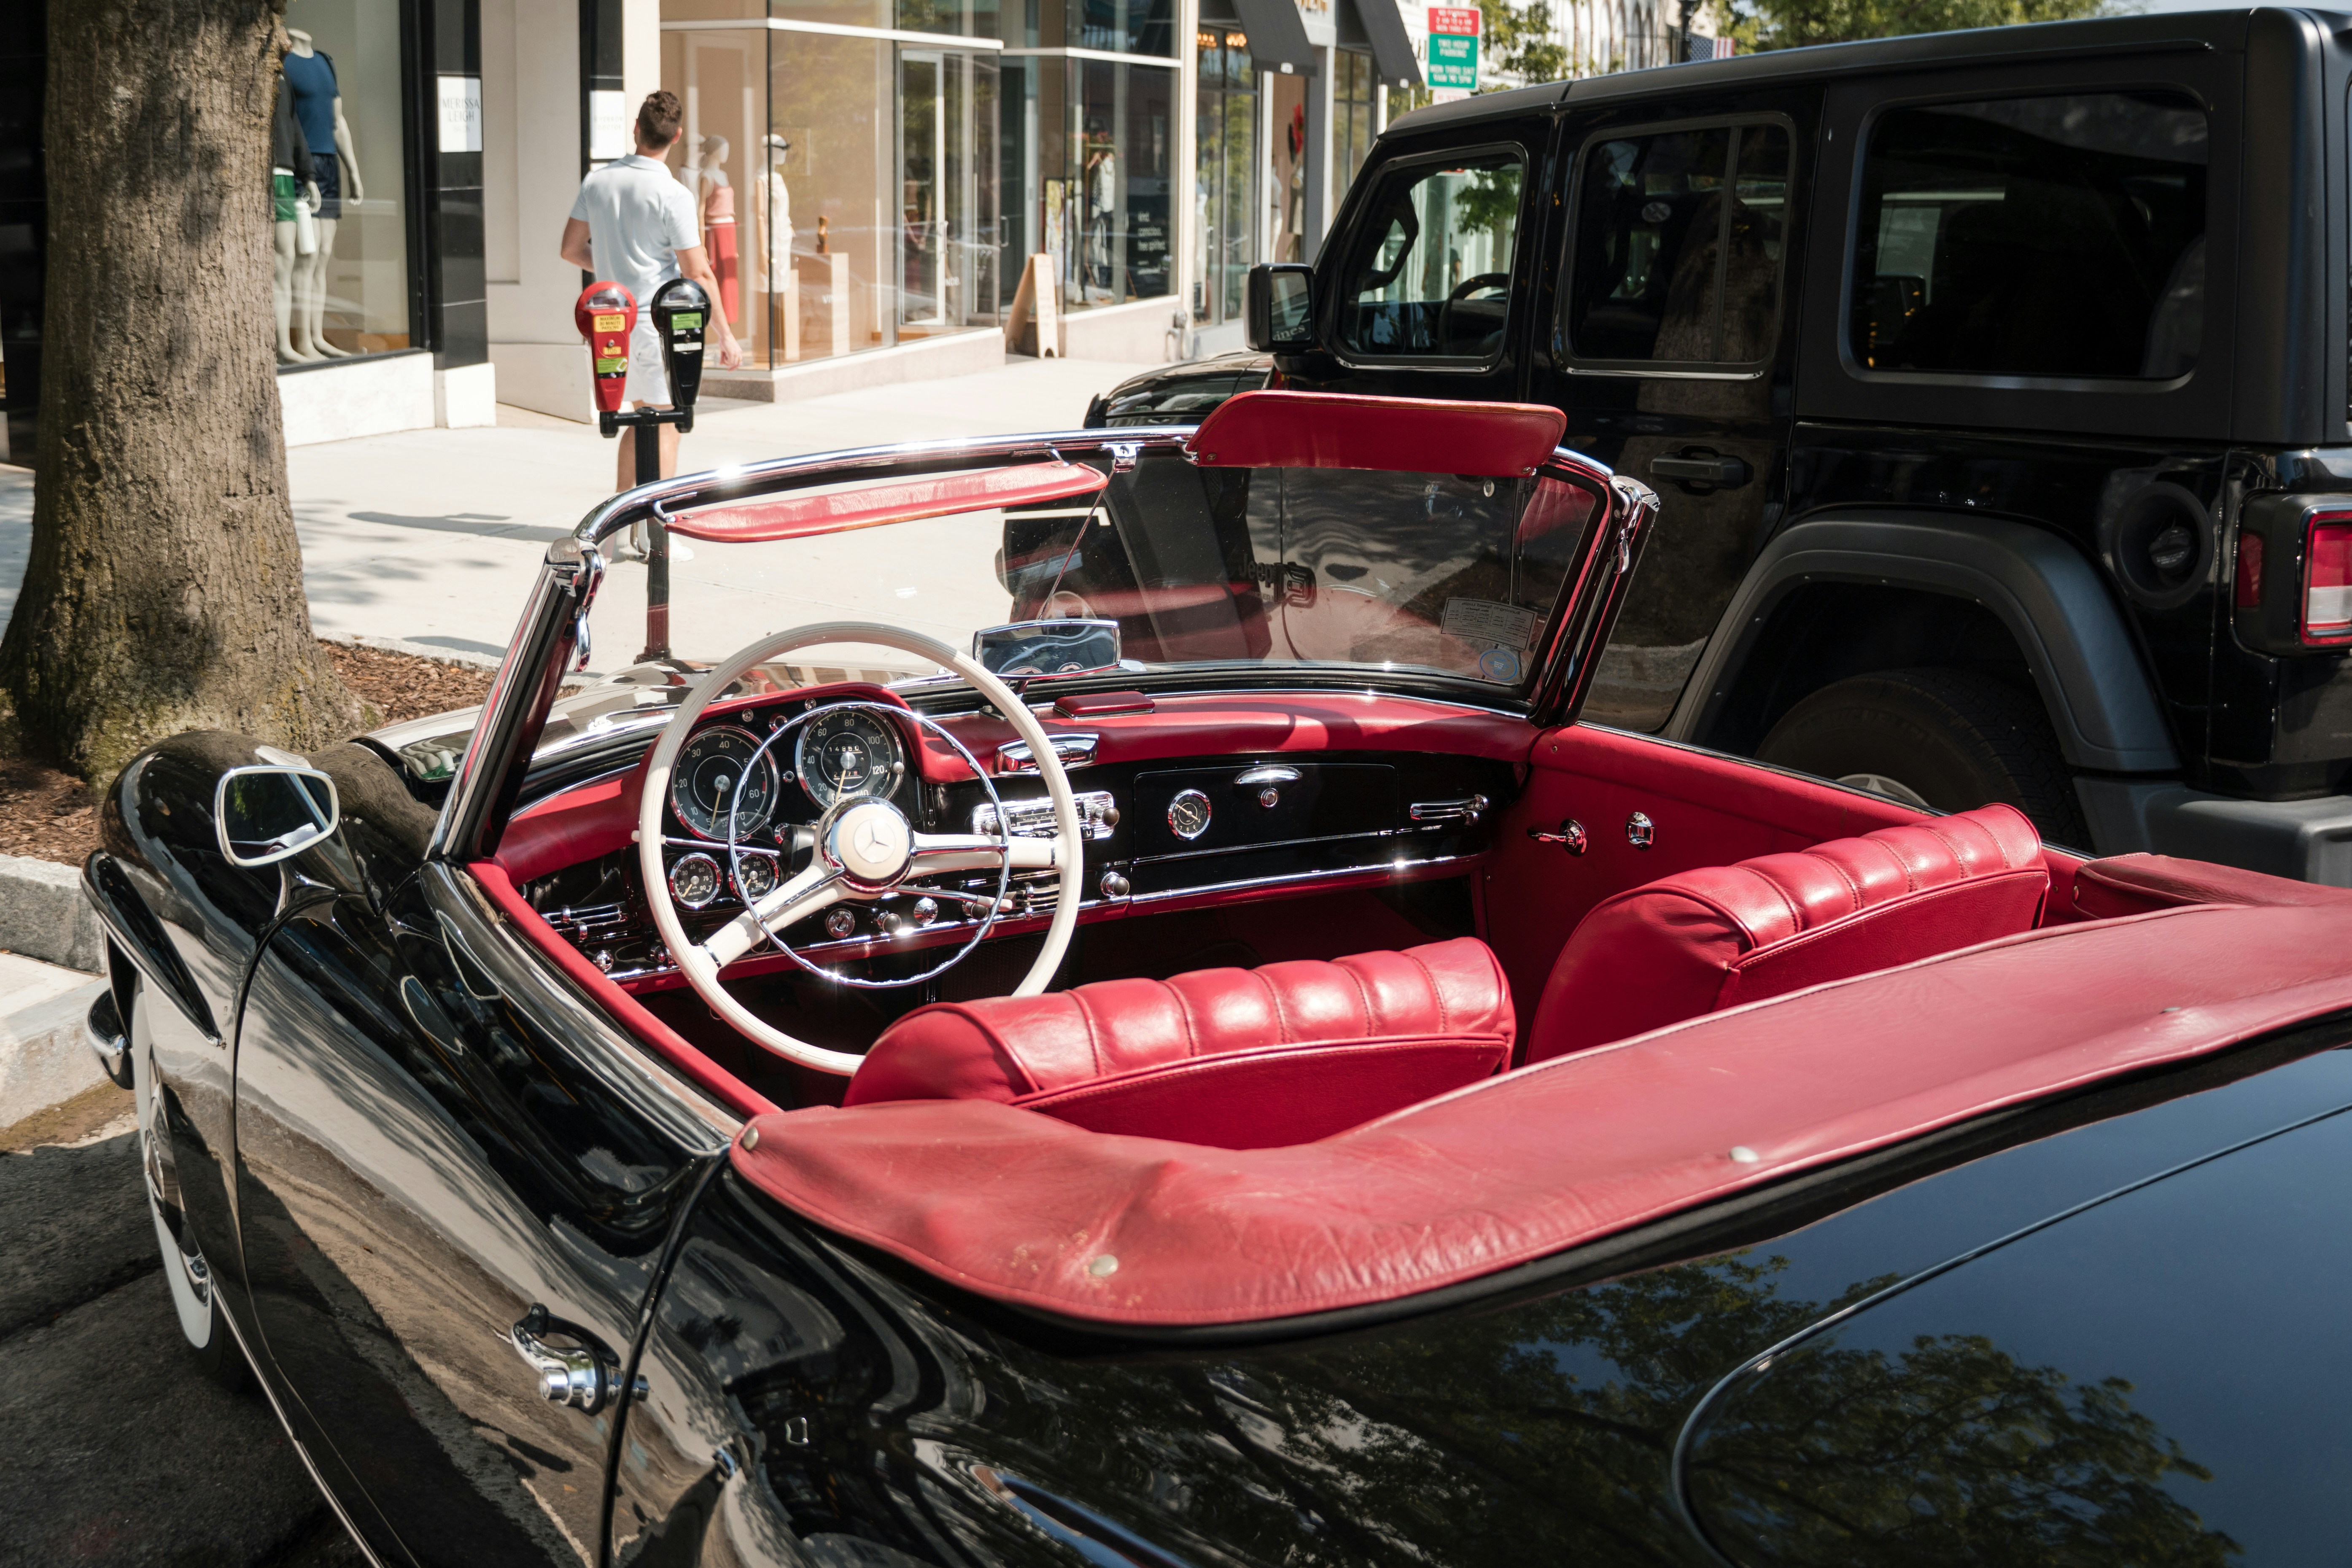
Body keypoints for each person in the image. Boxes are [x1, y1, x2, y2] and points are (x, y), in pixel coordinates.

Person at [559, 90, 743, 497]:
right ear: (676, 136)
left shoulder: (598, 181)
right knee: (668, 425)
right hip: (655, 326)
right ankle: (659, 532)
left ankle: (620, 527)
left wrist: (614, 266)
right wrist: (726, 335)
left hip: (611, 323)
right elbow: (699, 273)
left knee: (641, 420)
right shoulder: (673, 194)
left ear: (636, 129)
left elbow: (571, 249)